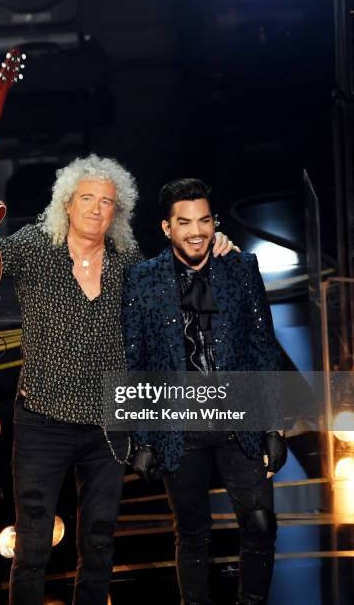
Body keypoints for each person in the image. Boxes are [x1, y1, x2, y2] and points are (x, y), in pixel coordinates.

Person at [0, 158, 235, 605]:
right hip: (42, 423)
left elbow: (183, 298)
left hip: (108, 427)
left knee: (101, 543)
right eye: (87, 198)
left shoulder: (129, 262)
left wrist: (214, 252)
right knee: (31, 548)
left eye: (107, 202)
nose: (96, 209)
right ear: (66, 203)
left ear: (117, 212)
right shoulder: (32, 247)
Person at [122, 178, 287, 605]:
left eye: (204, 220)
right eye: (184, 222)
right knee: (192, 534)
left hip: (241, 422)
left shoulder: (240, 267)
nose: (196, 231)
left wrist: (275, 427)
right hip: (181, 430)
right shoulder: (143, 280)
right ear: (165, 227)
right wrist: (141, 437)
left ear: (214, 221)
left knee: (261, 524)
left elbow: (263, 348)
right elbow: (135, 364)